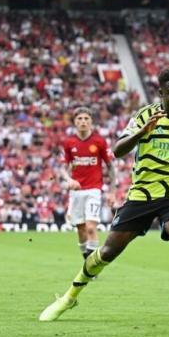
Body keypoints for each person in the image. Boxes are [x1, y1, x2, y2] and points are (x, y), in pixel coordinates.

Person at [40, 67, 169, 326]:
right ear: (161, 93)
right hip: (142, 195)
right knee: (108, 251)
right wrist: (142, 132)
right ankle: (68, 298)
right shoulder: (144, 116)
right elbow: (119, 150)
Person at [61, 106, 115, 260]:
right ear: (74, 122)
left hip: (94, 190)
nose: (83, 121)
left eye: (86, 119)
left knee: (91, 227)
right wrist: (68, 179)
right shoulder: (69, 143)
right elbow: (62, 168)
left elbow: (111, 167)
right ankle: (87, 260)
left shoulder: (99, 141)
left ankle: (92, 265)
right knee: (81, 229)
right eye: (79, 119)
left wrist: (112, 191)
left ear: (91, 122)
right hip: (76, 192)